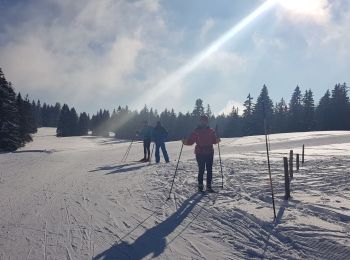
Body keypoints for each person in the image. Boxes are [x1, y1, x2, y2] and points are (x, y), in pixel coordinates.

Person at [182, 115, 220, 192]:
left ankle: (208, 187)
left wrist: (217, 139)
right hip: (200, 153)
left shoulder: (211, 131)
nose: (204, 122)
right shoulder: (196, 131)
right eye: (202, 121)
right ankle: (200, 186)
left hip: (209, 152)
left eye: (205, 121)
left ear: (207, 122)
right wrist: (185, 141)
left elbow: (213, 141)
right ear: (200, 122)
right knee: (201, 169)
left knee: (209, 169)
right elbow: (191, 141)